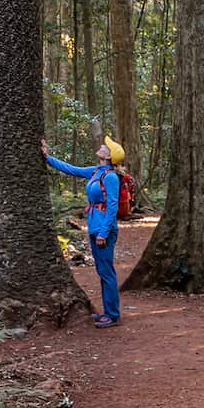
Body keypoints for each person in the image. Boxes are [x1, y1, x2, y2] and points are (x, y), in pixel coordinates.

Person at [42, 135, 124, 328]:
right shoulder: (97, 172)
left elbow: (112, 206)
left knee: (106, 272)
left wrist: (104, 233)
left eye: (106, 146)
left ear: (109, 156)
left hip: (104, 229)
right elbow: (73, 170)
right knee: (102, 270)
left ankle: (112, 315)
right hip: (95, 226)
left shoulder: (111, 177)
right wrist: (47, 158)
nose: (102, 146)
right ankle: (108, 311)